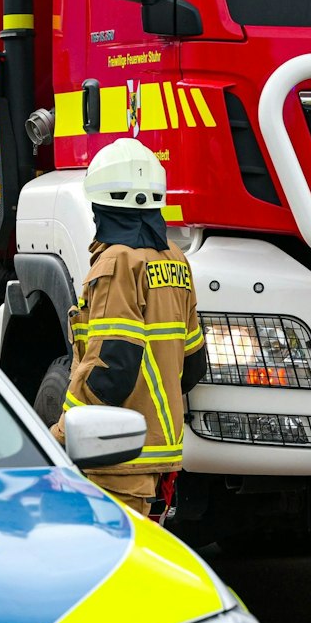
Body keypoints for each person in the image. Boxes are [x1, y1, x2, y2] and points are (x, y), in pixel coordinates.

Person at [56, 138, 207, 517]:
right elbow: (193, 367)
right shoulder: (175, 259)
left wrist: (61, 435)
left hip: (116, 458)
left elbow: (112, 368)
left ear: (100, 205)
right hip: (160, 455)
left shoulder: (116, 263)